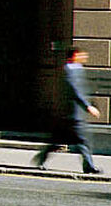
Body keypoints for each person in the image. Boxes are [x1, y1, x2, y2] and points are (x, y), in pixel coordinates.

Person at [31, 46, 102, 174]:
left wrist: (91, 103)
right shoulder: (69, 70)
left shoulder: (77, 69)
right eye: (81, 55)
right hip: (72, 113)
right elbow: (74, 89)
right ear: (74, 55)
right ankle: (88, 166)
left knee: (58, 141)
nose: (84, 57)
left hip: (73, 114)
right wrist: (87, 106)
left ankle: (40, 159)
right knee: (82, 141)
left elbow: (82, 90)